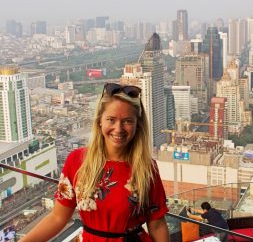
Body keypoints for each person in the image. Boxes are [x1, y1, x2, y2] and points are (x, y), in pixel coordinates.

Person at [20, 83, 170, 242]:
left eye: (127, 121)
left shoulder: (146, 168)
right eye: (111, 120)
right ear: (100, 121)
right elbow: (58, 218)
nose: (118, 129)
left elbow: (157, 225)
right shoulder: (77, 161)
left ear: (137, 125)